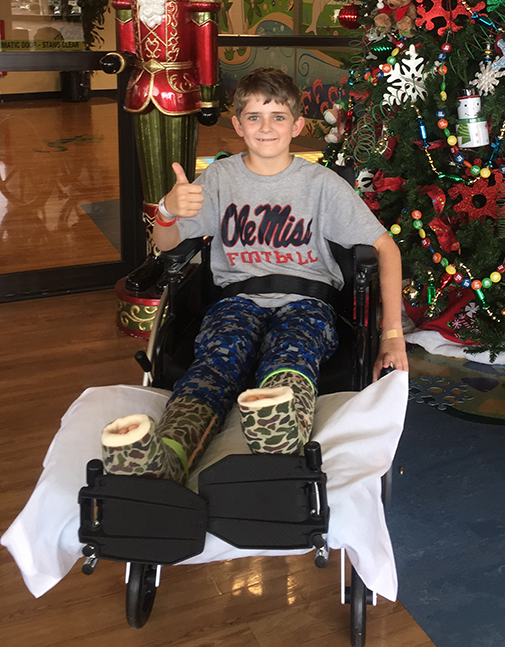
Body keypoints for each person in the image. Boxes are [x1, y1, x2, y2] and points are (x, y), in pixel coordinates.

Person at [101, 68, 408, 482]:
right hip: (236, 301)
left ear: (297, 125)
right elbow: (169, 245)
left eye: (278, 116)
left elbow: (385, 248)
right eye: (254, 117)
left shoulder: (322, 185)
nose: (267, 127)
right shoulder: (220, 179)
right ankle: (169, 452)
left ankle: (281, 435)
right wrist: (169, 211)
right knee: (217, 359)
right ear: (238, 125)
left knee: (293, 352)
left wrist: (392, 335)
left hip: (307, 302)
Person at [101, 0, 220, 294]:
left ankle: (180, 253)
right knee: (149, 175)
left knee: (179, 176)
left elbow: (206, 50)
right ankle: (157, 255)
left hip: (183, 89)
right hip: (141, 90)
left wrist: (210, 95)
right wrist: (120, 61)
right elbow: (128, 47)